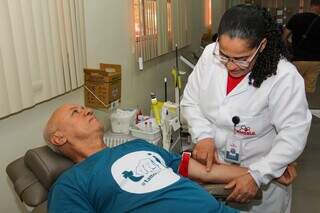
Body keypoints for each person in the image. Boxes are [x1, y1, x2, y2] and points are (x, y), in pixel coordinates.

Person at [181, 4, 311, 213]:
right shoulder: (209, 56)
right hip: (215, 169)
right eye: (224, 55)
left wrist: (258, 175)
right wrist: (204, 136)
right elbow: (190, 101)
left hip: (261, 177)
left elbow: (293, 134)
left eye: (242, 59)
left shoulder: (283, 76)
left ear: (261, 46)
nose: (231, 65)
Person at [44, 104, 245, 213]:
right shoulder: (70, 184)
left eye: (83, 108)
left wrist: (261, 173)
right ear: (59, 138)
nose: (86, 110)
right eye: (75, 113)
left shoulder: (137, 144)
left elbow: (205, 171)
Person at [283, 0, 320, 93]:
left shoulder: (297, 18)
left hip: (298, 59)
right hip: (316, 61)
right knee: (308, 89)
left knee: (293, 87)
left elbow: (284, 37)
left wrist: (289, 49)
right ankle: (305, 105)